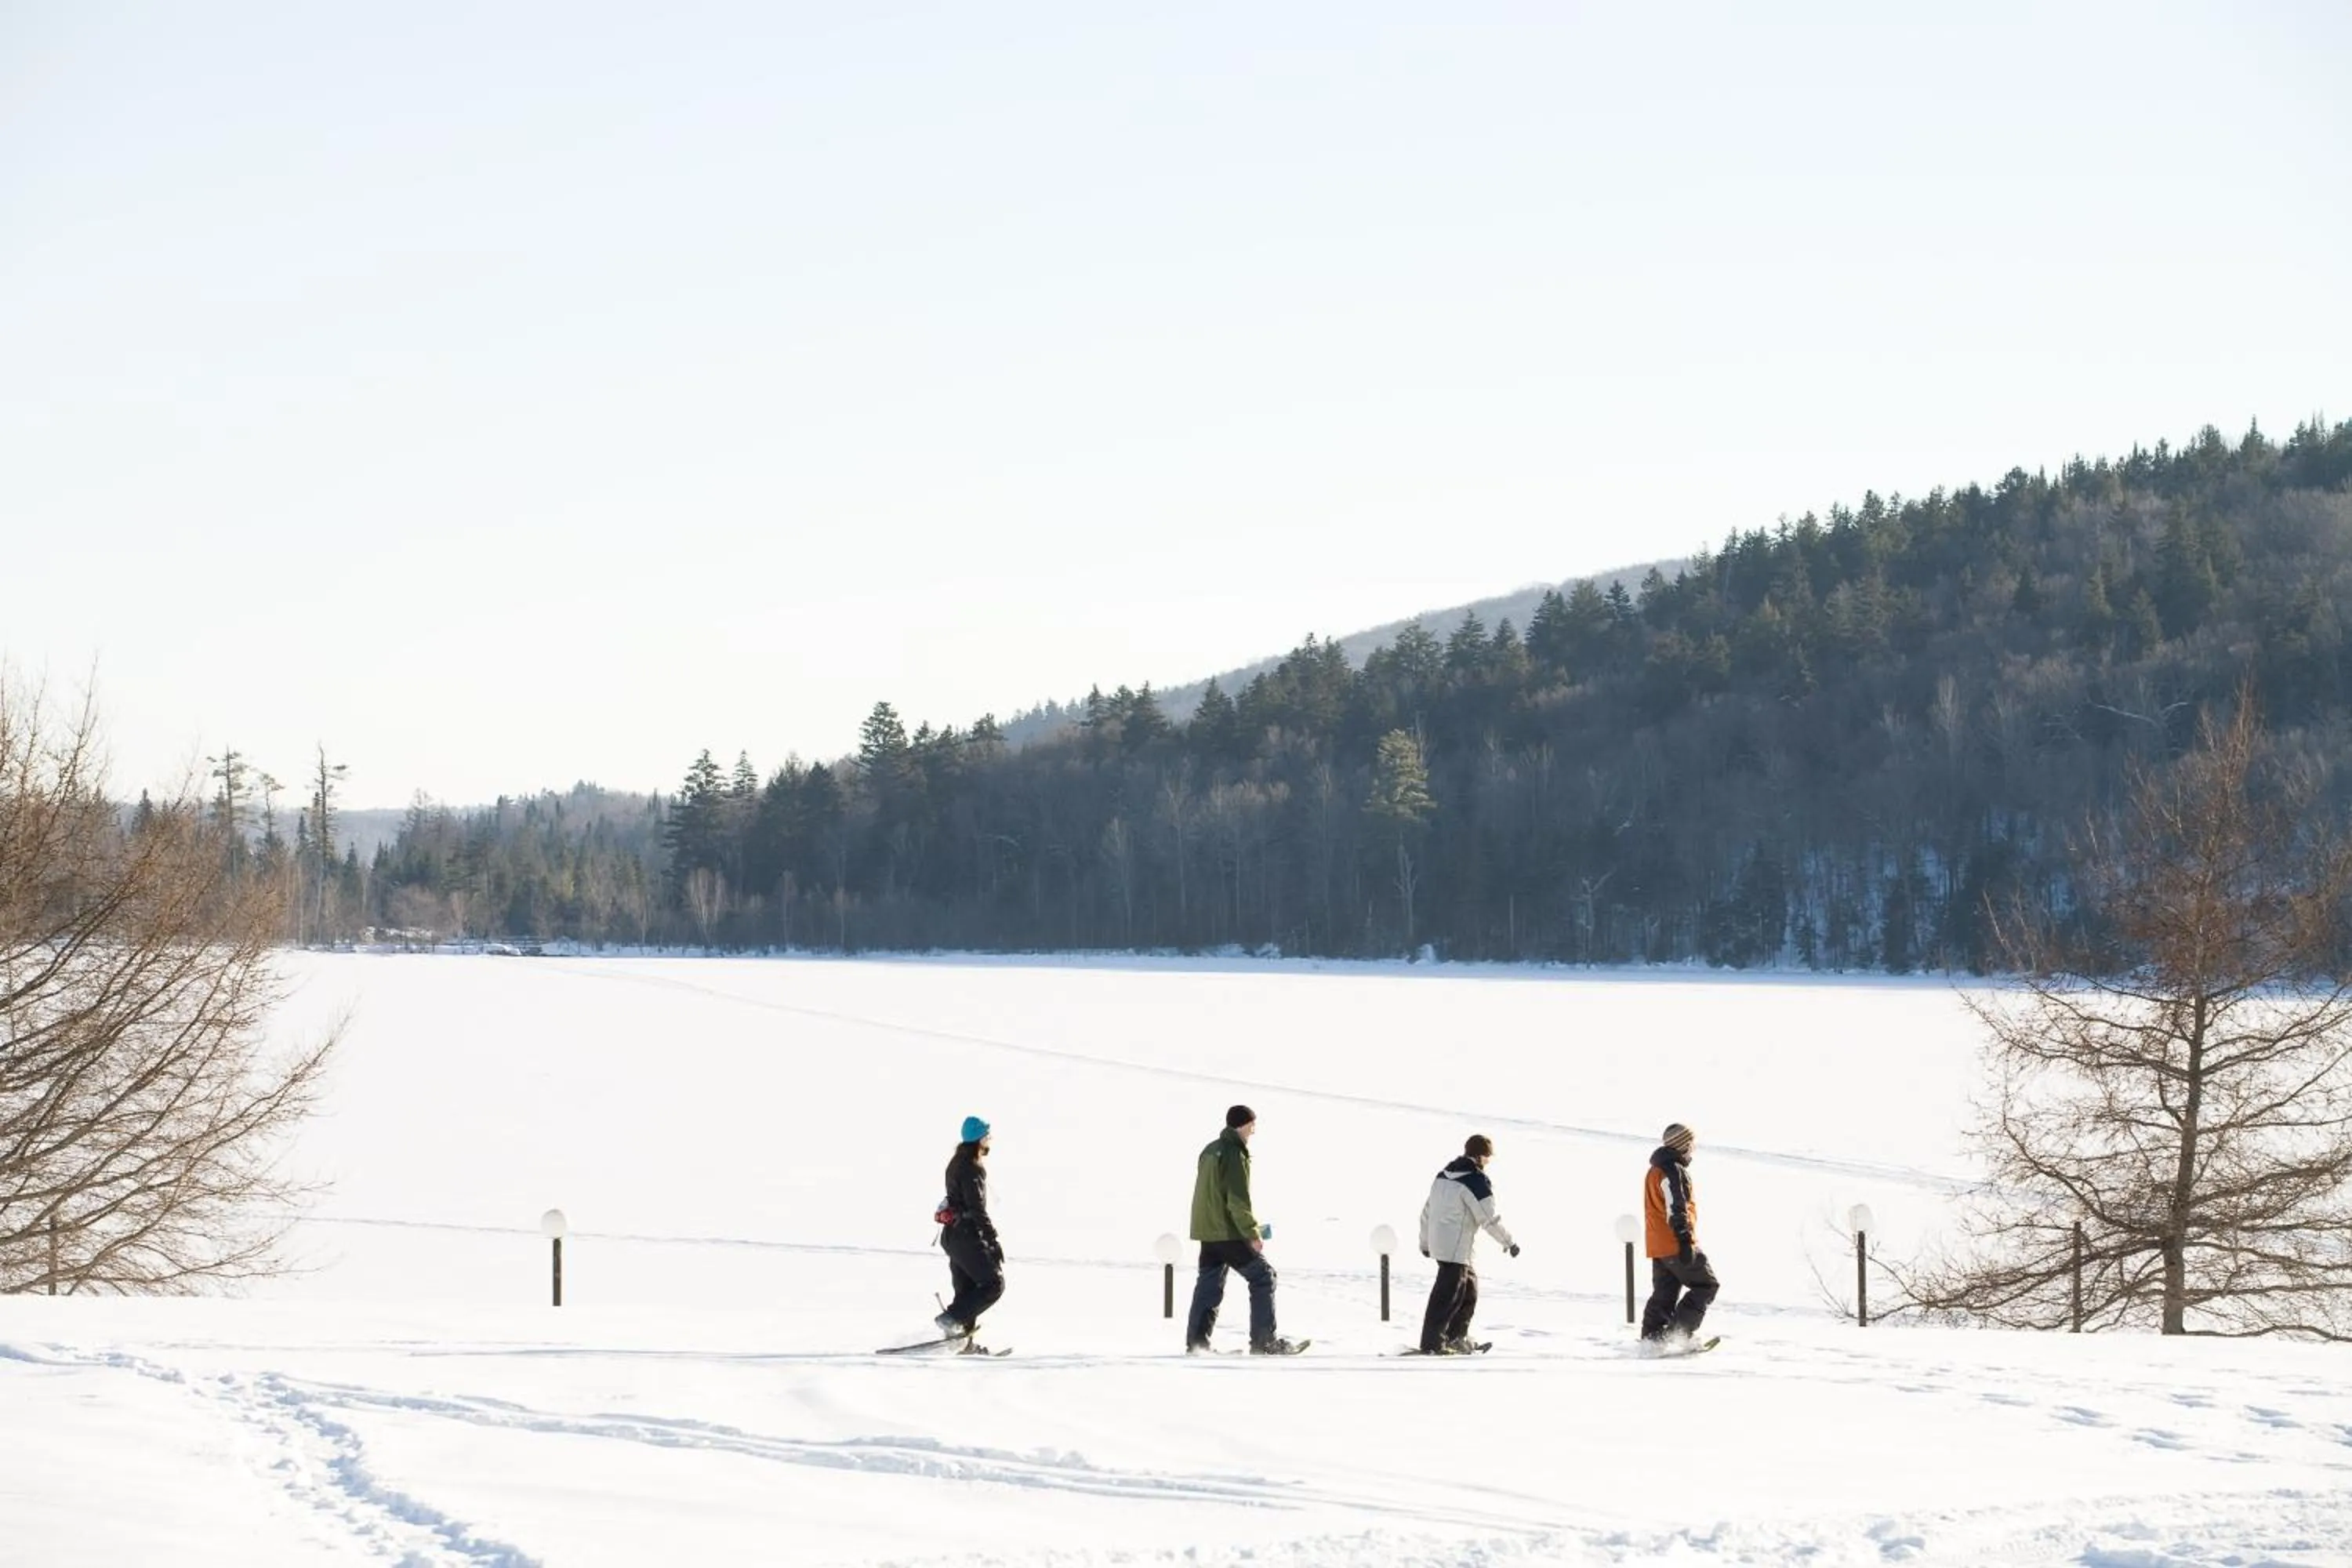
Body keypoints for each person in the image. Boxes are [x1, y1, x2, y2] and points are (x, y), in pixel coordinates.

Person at [1185, 1105, 1303, 1355]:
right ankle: (1264, 1342)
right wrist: (1251, 1232)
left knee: (1209, 1286)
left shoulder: (1210, 1150)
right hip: (1226, 1231)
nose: (1253, 1131)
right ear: (1242, 1125)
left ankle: (1197, 1345)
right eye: (1252, 1125)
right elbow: (1237, 1198)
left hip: (1207, 1230)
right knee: (1263, 1276)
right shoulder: (1233, 1152)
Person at [1417, 1133, 1519, 1354]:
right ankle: (1432, 1343)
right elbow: (1488, 1218)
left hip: (1447, 1246)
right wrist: (1508, 1242)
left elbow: (1427, 1212)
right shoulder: (1475, 1180)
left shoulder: (1442, 1176)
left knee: (1469, 1289)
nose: (1488, 1162)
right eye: (1488, 1157)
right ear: (1481, 1157)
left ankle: (1456, 1337)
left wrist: (1426, 1243)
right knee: (1447, 1296)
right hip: (1455, 1248)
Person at [1641, 1122, 1718, 1343]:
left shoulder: (1655, 1170)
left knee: (1664, 1295)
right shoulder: (1673, 1170)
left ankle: (1652, 1342)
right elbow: (1677, 1207)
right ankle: (1677, 1337)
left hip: (1658, 1245)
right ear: (1683, 1144)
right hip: (1675, 1242)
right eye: (1692, 1143)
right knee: (1706, 1285)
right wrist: (1684, 1240)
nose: (1694, 1148)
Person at [934, 1115, 1004, 1341]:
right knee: (993, 1284)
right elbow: (977, 1210)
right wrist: (992, 1242)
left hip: (953, 1236)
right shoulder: (972, 1169)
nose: (989, 1141)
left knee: (968, 1291)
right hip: (966, 1236)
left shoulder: (955, 1163)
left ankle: (963, 1342)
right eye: (987, 1137)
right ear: (979, 1139)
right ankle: (951, 1319)